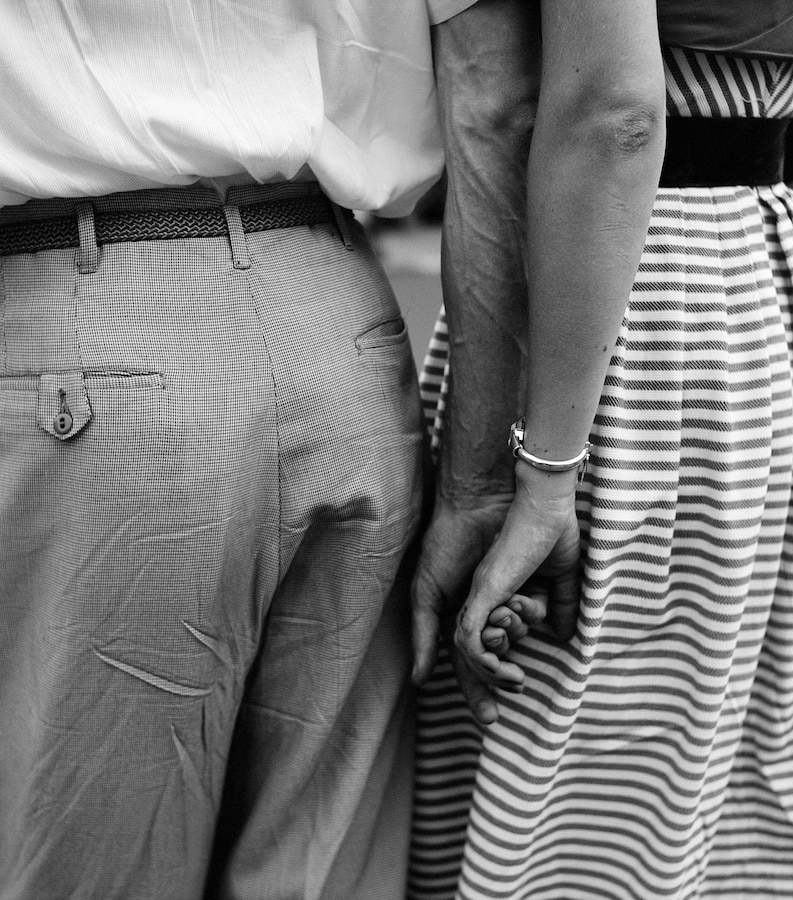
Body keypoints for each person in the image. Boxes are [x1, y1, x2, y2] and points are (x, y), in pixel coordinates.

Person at [409, 0, 793, 897]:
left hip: (615, 289)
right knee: (693, 789)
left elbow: (614, 114)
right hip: (761, 275)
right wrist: (737, 167)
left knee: (552, 800)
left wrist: (539, 477)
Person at [0, 4, 446, 899]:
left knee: (90, 863)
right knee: (318, 861)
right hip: (335, 311)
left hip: (98, 322)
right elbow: (502, 92)